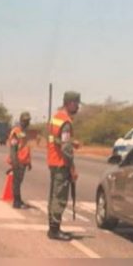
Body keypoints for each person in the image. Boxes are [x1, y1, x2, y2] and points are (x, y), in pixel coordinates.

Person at [46, 91, 82, 241]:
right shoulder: (66, 122)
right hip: (61, 163)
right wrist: (72, 168)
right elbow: (66, 148)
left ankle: (52, 228)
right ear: (70, 103)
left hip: (52, 161)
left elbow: (56, 139)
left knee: (53, 195)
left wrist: (71, 142)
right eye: (77, 103)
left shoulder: (55, 118)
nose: (78, 106)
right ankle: (55, 230)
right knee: (59, 196)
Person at [7, 112, 33, 209]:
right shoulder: (16, 131)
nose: (27, 122)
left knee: (18, 182)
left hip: (24, 161)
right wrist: (15, 163)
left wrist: (29, 162)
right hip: (18, 161)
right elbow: (13, 148)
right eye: (25, 120)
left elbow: (25, 147)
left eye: (28, 120)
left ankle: (19, 200)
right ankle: (16, 202)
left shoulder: (24, 132)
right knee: (16, 183)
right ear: (21, 120)